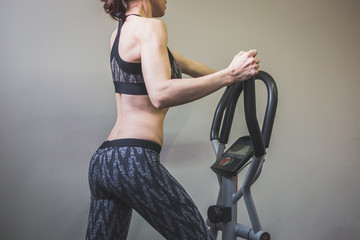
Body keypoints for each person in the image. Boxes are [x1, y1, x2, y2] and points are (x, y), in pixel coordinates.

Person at [86, 0, 260, 239]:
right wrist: (229, 74)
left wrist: (237, 74)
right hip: (133, 159)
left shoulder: (119, 34)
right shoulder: (151, 28)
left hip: (105, 162)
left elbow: (187, 65)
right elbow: (160, 94)